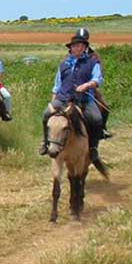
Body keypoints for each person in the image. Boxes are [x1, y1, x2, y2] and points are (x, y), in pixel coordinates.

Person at [38, 28, 104, 165]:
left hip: (84, 100)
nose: (76, 48)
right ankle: (46, 142)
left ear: (85, 47)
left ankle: (92, 148)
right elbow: (57, 85)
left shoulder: (93, 62)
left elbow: (98, 79)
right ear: (71, 48)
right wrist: (53, 102)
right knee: (45, 115)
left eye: (79, 45)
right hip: (63, 99)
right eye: (74, 46)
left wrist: (86, 85)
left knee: (97, 119)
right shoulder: (64, 64)